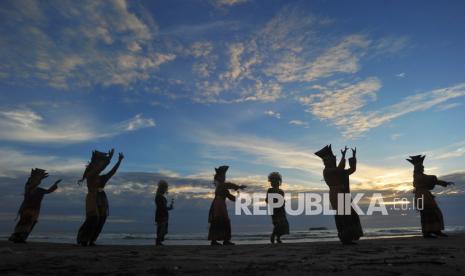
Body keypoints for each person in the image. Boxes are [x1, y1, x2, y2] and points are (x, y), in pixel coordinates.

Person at [315, 145, 363, 245]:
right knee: (342, 216)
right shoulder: (327, 171)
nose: (329, 162)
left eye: (331, 160)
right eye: (327, 160)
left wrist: (353, 156)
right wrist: (344, 156)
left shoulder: (337, 171)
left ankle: (350, 236)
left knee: (350, 215)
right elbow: (340, 169)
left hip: (344, 194)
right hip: (336, 194)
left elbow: (351, 170)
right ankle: (345, 238)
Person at [77, 149, 124, 246]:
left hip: (102, 199)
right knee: (93, 218)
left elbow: (112, 171)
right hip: (92, 198)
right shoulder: (90, 175)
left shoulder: (102, 178)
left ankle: (92, 240)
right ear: (93, 165)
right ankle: (82, 239)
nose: (99, 165)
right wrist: (108, 159)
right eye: (97, 163)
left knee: (102, 219)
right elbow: (100, 168)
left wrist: (119, 161)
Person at [407, 155, 453, 238]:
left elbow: (431, 180)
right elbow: (429, 179)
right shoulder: (417, 176)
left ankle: (436, 231)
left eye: (422, 167)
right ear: (418, 168)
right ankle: (427, 233)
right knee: (426, 213)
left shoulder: (420, 175)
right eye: (421, 167)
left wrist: (443, 183)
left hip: (426, 196)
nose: (423, 169)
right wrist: (439, 181)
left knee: (433, 212)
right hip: (422, 197)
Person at [9, 169, 61, 243]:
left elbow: (48, 191)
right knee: (24, 223)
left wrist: (55, 184)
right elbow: (33, 183)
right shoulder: (29, 187)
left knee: (30, 224)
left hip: (34, 210)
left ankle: (21, 238)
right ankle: (16, 237)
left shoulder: (38, 190)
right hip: (27, 209)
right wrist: (38, 178)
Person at [208, 166, 246, 246]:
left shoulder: (222, 187)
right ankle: (219, 240)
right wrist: (238, 187)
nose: (224, 178)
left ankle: (223, 240)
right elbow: (229, 185)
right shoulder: (221, 186)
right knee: (220, 221)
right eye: (223, 176)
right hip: (219, 205)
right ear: (219, 177)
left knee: (221, 221)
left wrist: (238, 196)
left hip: (220, 204)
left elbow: (230, 197)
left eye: (224, 176)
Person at [266, 172, 289, 244]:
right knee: (277, 223)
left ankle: (278, 238)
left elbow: (282, 200)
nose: (274, 183)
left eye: (276, 181)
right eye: (272, 181)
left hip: (281, 209)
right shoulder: (270, 190)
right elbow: (267, 200)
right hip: (274, 209)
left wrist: (283, 202)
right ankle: (273, 235)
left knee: (283, 224)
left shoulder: (281, 191)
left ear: (279, 182)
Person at [155, 180, 174, 246]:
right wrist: (168, 208)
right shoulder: (159, 197)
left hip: (163, 215)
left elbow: (163, 207)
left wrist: (169, 208)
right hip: (161, 215)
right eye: (165, 188)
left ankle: (159, 241)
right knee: (161, 229)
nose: (166, 189)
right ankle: (158, 241)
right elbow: (162, 207)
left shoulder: (160, 196)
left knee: (163, 229)